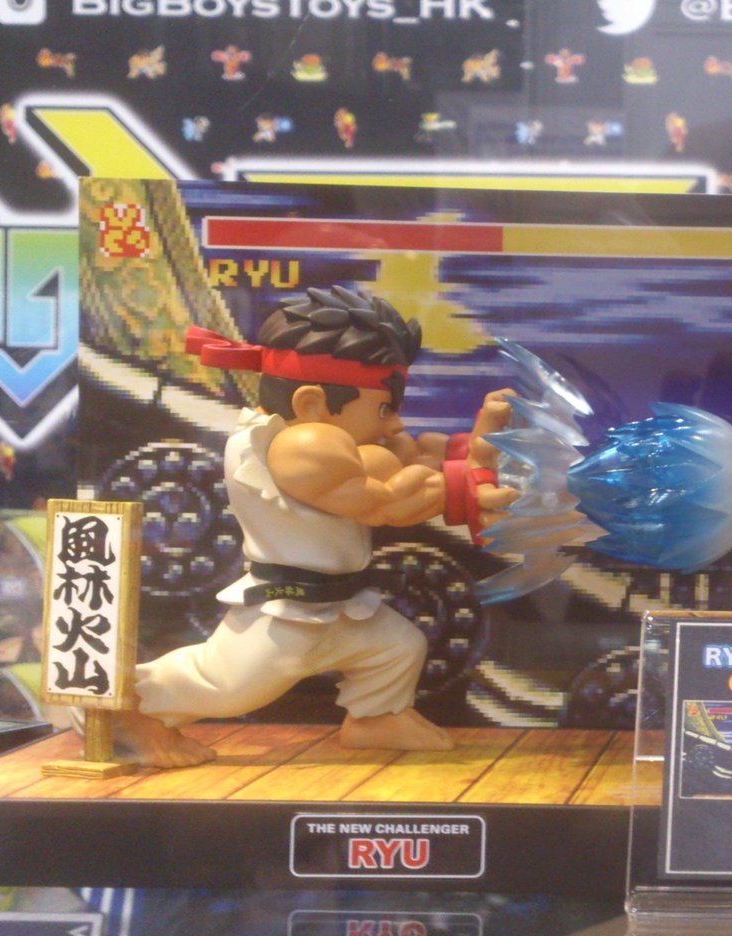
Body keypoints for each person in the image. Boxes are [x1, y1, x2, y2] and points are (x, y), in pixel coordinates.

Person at [114, 285, 516, 767]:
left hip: (340, 603)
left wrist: (477, 452)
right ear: (310, 404)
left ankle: (377, 719)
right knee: (228, 686)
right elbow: (385, 504)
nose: (393, 425)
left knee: (396, 648)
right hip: (286, 609)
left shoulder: (332, 442)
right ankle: (128, 707)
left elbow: (416, 460)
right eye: (383, 408)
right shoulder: (295, 449)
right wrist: (463, 484)